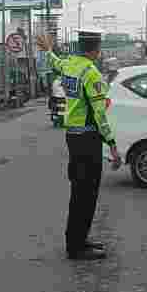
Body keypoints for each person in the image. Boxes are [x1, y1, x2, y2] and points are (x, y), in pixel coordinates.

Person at [37, 30, 121, 261]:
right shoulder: (91, 73)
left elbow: (56, 62)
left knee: (79, 192)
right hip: (88, 139)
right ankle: (76, 247)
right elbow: (99, 115)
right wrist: (112, 145)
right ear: (96, 50)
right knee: (87, 194)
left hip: (73, 137)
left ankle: (78, 239)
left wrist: (47, 50)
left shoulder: (71, 64)